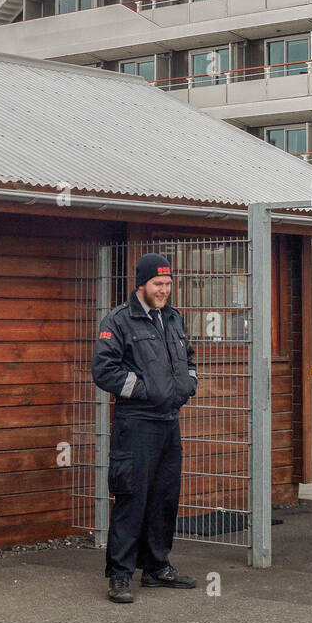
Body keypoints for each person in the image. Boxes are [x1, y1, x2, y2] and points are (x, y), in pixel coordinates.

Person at [92, 252, 199, 602]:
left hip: (169, 422)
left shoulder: (173, 318)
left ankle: (156, 567)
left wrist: (189, 383)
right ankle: (120, 576)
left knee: (164, 498)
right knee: (131, 498)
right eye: (158, 284)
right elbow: (104, 371)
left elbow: (189, 357)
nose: (164, 290)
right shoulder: (119, 321)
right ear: (141, 284)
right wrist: (143, 391)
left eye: (168, 284)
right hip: (135, 424)